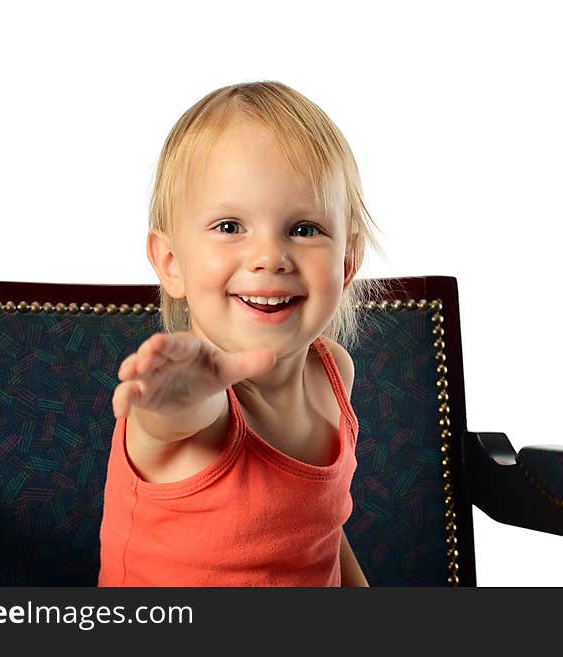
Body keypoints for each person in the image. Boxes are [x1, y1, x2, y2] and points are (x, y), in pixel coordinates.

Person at [98, 81, 386, 586]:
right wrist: (174, 399)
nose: (269, 257)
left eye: (303, 228)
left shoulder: (333, 371)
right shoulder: (193, 409)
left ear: (346, 264)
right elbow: (174, 421)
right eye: (230, 227)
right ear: (171, 262)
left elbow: (321, 531)